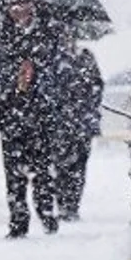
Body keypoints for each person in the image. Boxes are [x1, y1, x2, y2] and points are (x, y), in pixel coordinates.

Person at [0, 0, 71, 238]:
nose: (18, 10)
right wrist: (15, 72)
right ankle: (18, 221)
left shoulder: (49, 31)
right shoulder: (1, 33)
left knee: (43, 170)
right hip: (11, 113)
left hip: (42, 114)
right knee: (14, 173)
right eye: (14, 6)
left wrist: (37, 71)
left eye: (24, 5)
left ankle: (46, 214)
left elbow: (61, 70)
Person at [54, 35, 103, 220]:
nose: (68, 39)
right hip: (61, 122)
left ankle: (72, 205)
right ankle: (63, 204)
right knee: (61, 164)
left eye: (70, 35)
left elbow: (98, 84)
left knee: (79, 165)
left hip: (83, 121)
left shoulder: (86, 56)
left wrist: (88, 103)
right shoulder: (55, 58)